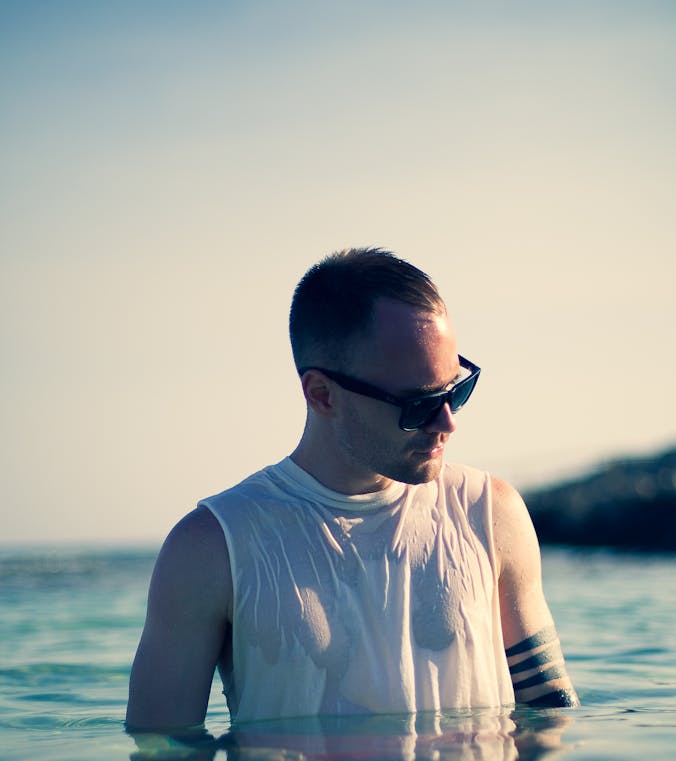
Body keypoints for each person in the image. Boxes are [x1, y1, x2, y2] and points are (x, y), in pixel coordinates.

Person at [126, 248, 578, 735]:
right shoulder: (212, 548)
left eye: (457, 390)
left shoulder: (492, 515)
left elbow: (552, 716)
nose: (447, 421)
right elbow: (164, 756)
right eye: (418, 404)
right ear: (321, 394)